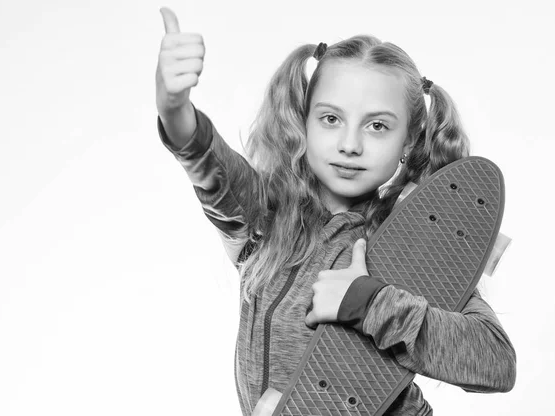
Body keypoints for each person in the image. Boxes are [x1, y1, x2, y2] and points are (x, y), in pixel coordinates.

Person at [155, 7, 516, 416]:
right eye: (330, 118)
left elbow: (496, 362)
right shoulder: (266, 219)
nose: (350, 144)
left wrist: (369, 303)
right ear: (303, 121)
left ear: (410, 141)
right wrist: (175, 112)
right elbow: (212, 168)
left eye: (377, 126)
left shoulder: (418, 234)